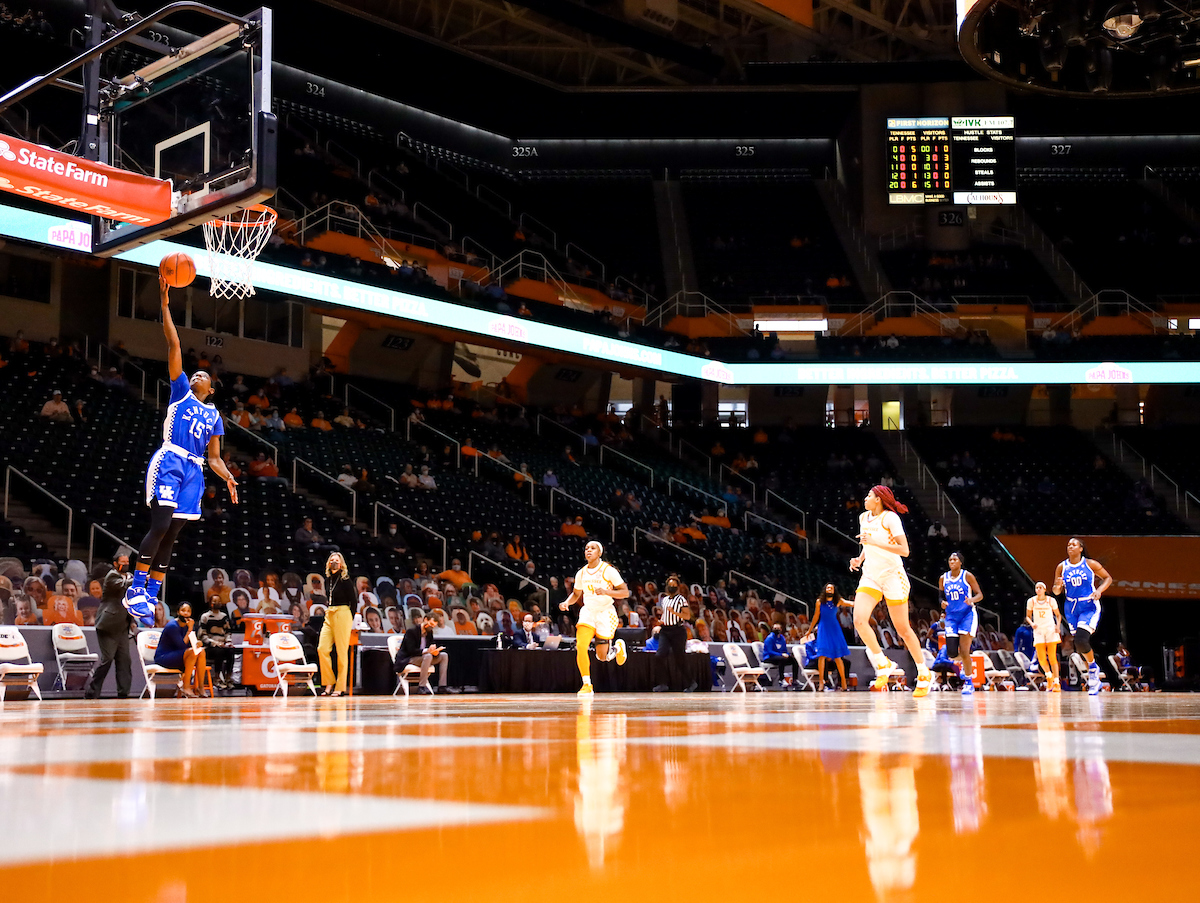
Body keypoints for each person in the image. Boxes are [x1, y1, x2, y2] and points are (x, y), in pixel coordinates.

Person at [123, 277, 238, 626]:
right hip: (171, 460)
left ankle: (150, 594)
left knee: (172, 534)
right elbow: (173, 343)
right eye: (195, 372)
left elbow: (214, 458)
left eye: (203, 375)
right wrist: (165, 304)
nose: (197, 374)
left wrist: (228, 477)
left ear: (212, 389)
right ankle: (135, 590)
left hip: (195, 470)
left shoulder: (214, 415)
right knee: (160, 525)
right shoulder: (181, 392)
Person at [849, 485, 932, 696]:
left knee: (903, 629)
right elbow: (868, 545)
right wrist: (859, 559)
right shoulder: (863, 518)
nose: (865, 498)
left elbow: (904, 550)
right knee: (859, 620)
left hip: (893, 576)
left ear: (878, 499)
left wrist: (875, 541)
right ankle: (882, 662)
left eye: (869, 495)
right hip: (871, 576)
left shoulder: (890, 519)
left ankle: (923, 672)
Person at [559, 541, 630, 695]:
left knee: (602, 656)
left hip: (605, 612)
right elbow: (576, 594)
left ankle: (617, 647)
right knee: (581, 646)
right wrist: (567, 602)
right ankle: (587, 684)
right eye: (586, 548)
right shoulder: (581, 573)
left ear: (600, 552)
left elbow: (625, 592)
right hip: (588, 612)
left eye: (592, 548)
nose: (589, 551)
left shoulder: (608, 570)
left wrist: (606, 592)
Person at [1052, 537, 1112, 696]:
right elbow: (1056, 591)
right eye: (1068, 545)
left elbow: (1108, 578)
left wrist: (1099, 591)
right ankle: (1093, 667)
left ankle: (1093, 670)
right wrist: (1058, 586)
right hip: (1071, 607)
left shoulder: (1090, 564)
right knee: (1078, 645)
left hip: (1088, 605)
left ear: (1081, 548)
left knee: (1081, 639)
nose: (1070, 546)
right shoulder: (1061, 567)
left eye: (1074, 544)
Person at [939, 551, 985, 696]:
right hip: (951, 617)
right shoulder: (943, 578)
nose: (952, 561)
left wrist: (972, 600)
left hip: (967, 615)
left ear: (960, 562)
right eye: (950, 559)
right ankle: (966, 662)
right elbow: (940, 597)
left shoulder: (967, 576)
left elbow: (980, 594)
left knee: (964, 650)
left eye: (955, 559)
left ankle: (969, 682)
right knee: (952, 653)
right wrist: (942, 603)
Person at [85, 564, 134, 699]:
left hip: (122, 626)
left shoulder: (130, 577)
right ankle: (92, 692)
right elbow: (124, 585)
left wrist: (132, 621)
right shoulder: (111, 576)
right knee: (107, 659)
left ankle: (124, 693)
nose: (126, 564)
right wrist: (139, 579)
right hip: (108, 626)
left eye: (127, 561)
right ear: (116, 563)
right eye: (122, 561)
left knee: (124, 660)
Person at [317, 552, 355, 696]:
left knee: (341, 651)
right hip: (330, 613)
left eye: (337, 560)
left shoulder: (346, 580)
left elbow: (353, 601)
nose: (334, 562)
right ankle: (329, 682)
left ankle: (340, 687)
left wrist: (349, 618)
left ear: (341, 564)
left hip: (342, 612)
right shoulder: (327, 580)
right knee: (322, 648)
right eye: (332, 560)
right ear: (328, 563)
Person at [154, 603, 207, 698]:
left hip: (180, 655)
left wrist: (198, 643)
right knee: (192, 652)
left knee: (201, 651)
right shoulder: (172, 626)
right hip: (164, 657)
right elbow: (181, 646)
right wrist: (189, 630)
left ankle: (200, 687)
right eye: (183, 611)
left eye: (188, 611)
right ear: (178, 612)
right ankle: (186, 687)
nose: (186, 613)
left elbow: (191, 645)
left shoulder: (188, 625)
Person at [653, 574, 694, 692]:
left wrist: (675, 612)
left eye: (674, 585)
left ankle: (691, 683)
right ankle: (663, 683)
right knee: (659, 655)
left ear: (678, 587)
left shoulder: (681, 599)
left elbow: (687, 616)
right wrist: (662, 621)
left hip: (677, 631)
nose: (671, 587)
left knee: (680, 658)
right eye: (670, 585)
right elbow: (666, 614)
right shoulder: (664, 600)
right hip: (665, 630)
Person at [806, 583, 852, 690]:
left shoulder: (838, 601)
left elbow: (851, 603)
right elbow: (816, 616)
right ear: (825, 589)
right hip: (823, 628)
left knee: (838, 656)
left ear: (834, 590)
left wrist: (864, 601)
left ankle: (843, 682)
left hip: (834, 628)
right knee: (822, 655)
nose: (829, 589)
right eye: (828, 587)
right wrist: (809, 630)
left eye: (831, 588)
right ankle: (821, 682)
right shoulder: (819, 602)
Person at [395, 613, 450, 694]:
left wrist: (435, 652)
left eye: (433, 626)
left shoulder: (429, 632)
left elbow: (430, 646)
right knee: (428, 656)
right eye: (431, 624)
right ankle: (422, 686)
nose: (431, 627)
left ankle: (442, 686)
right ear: (425, 619)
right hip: (409, 658)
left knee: (444, 655)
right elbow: (411, 650)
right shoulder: (412, 631)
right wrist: (427, 651)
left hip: (424, 658)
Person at [1026, 581, 1062, 692]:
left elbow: (1058, 615)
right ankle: (1049, 675)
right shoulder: (1031, 601)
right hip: (1038, 630)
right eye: (1037, 587)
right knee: (1041, 658)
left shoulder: (1051, 600)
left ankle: (1057, 683)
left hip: (1050, 629)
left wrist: (1058, 626)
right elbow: (1028, 616)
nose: (1038, 589)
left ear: (1045, 589)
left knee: (1052, 657)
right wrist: (1032, 624)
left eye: (1040, 587)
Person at [199, 592, 236, 689]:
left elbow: (228, 632)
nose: (217, 603)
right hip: (210, 646)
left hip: (223, 644)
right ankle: (217, 678)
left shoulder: (224, 616)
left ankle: (228, 678)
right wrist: (214, 643)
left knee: (231, 651)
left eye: (219, 601)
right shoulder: (205, 617)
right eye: (215, 601)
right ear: (211, 603)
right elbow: (202, 635)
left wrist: (228, 642)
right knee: (219, 651)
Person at [760, 619, 801, 688]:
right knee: (781, 659)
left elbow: (784, 650)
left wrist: (788, 655)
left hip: (779, 657)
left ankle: (795, 680)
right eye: (775, 628)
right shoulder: (769, 638)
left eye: (778, 628)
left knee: (793, 659)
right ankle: (781, 680)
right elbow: (769, 651)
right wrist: (781, 655)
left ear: (781, 629)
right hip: (769, 657)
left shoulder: (782, 638)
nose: (777, 630)